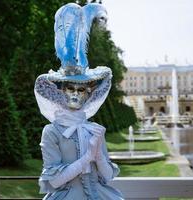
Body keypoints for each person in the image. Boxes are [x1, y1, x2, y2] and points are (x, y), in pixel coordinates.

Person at [34, 3, 124, 200]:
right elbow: (54, 181)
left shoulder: (94, 129)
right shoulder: (52, 131)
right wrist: (87, 158)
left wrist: (98, 154)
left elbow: (108, 176)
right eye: (70, 89)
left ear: (88, 93)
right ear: (61, 91)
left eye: (81, 89)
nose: (75, 94)